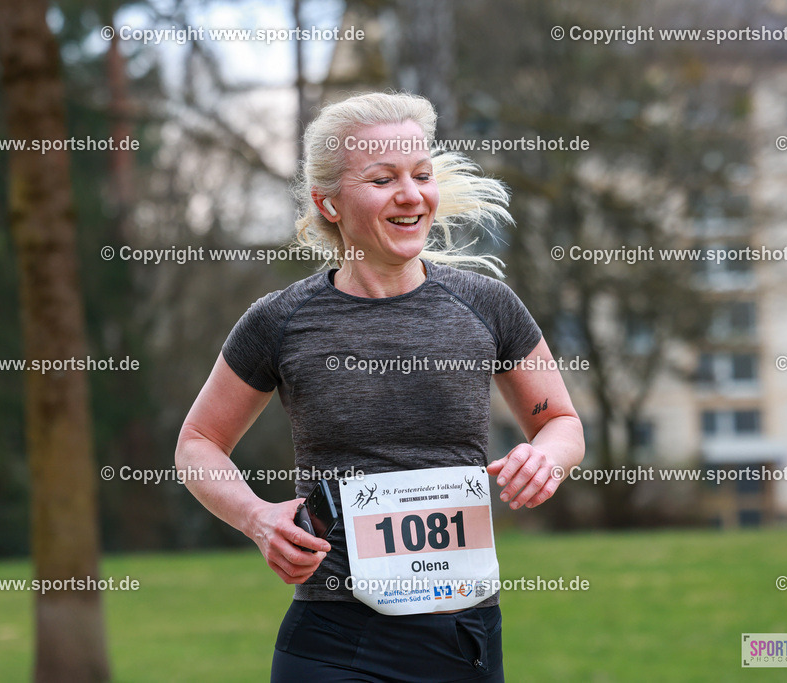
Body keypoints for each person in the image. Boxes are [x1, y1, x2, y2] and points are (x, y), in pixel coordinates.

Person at [175, 91, 584, 682]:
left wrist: (545, 459)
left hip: (463, 635)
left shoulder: (486, 306)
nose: (412, 194)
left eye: (421, 174)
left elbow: (561, 422)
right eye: (383, 178)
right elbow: (197, 440)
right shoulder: (280, 321)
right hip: (335, 639)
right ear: (329, 203)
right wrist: (257, 518)